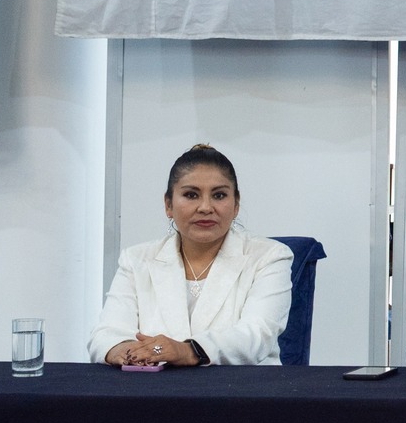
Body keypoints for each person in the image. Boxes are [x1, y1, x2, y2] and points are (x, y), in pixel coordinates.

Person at [90, 144, 293, 366]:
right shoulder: (136, 259)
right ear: (168, 205)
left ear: (236, 205)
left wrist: (187, 351)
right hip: (154, 393)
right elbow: (106, 334)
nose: (205, 207)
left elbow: (257, 336)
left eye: (219, 195)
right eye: (191, 195)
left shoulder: (269, 257)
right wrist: (126, 351)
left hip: (242, 393)